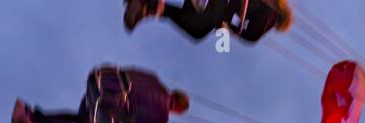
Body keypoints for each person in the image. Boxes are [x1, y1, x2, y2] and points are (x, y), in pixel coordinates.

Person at [10, 65, 189, 123]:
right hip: (106, 107)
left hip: (98, 83)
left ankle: (31, 115)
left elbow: (127, 71)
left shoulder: (153, 78)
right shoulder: (163, 116)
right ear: (177, 109)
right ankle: (33, 118)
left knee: (81, 118)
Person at [124, 0, 293, 42]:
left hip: (217, 7)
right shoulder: (270, 18)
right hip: (220, 7)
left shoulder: (267, 8)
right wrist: (230, 28)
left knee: (198, 21)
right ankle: (150, 8)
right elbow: (251, 37)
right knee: (199, 27)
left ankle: (148, 7)